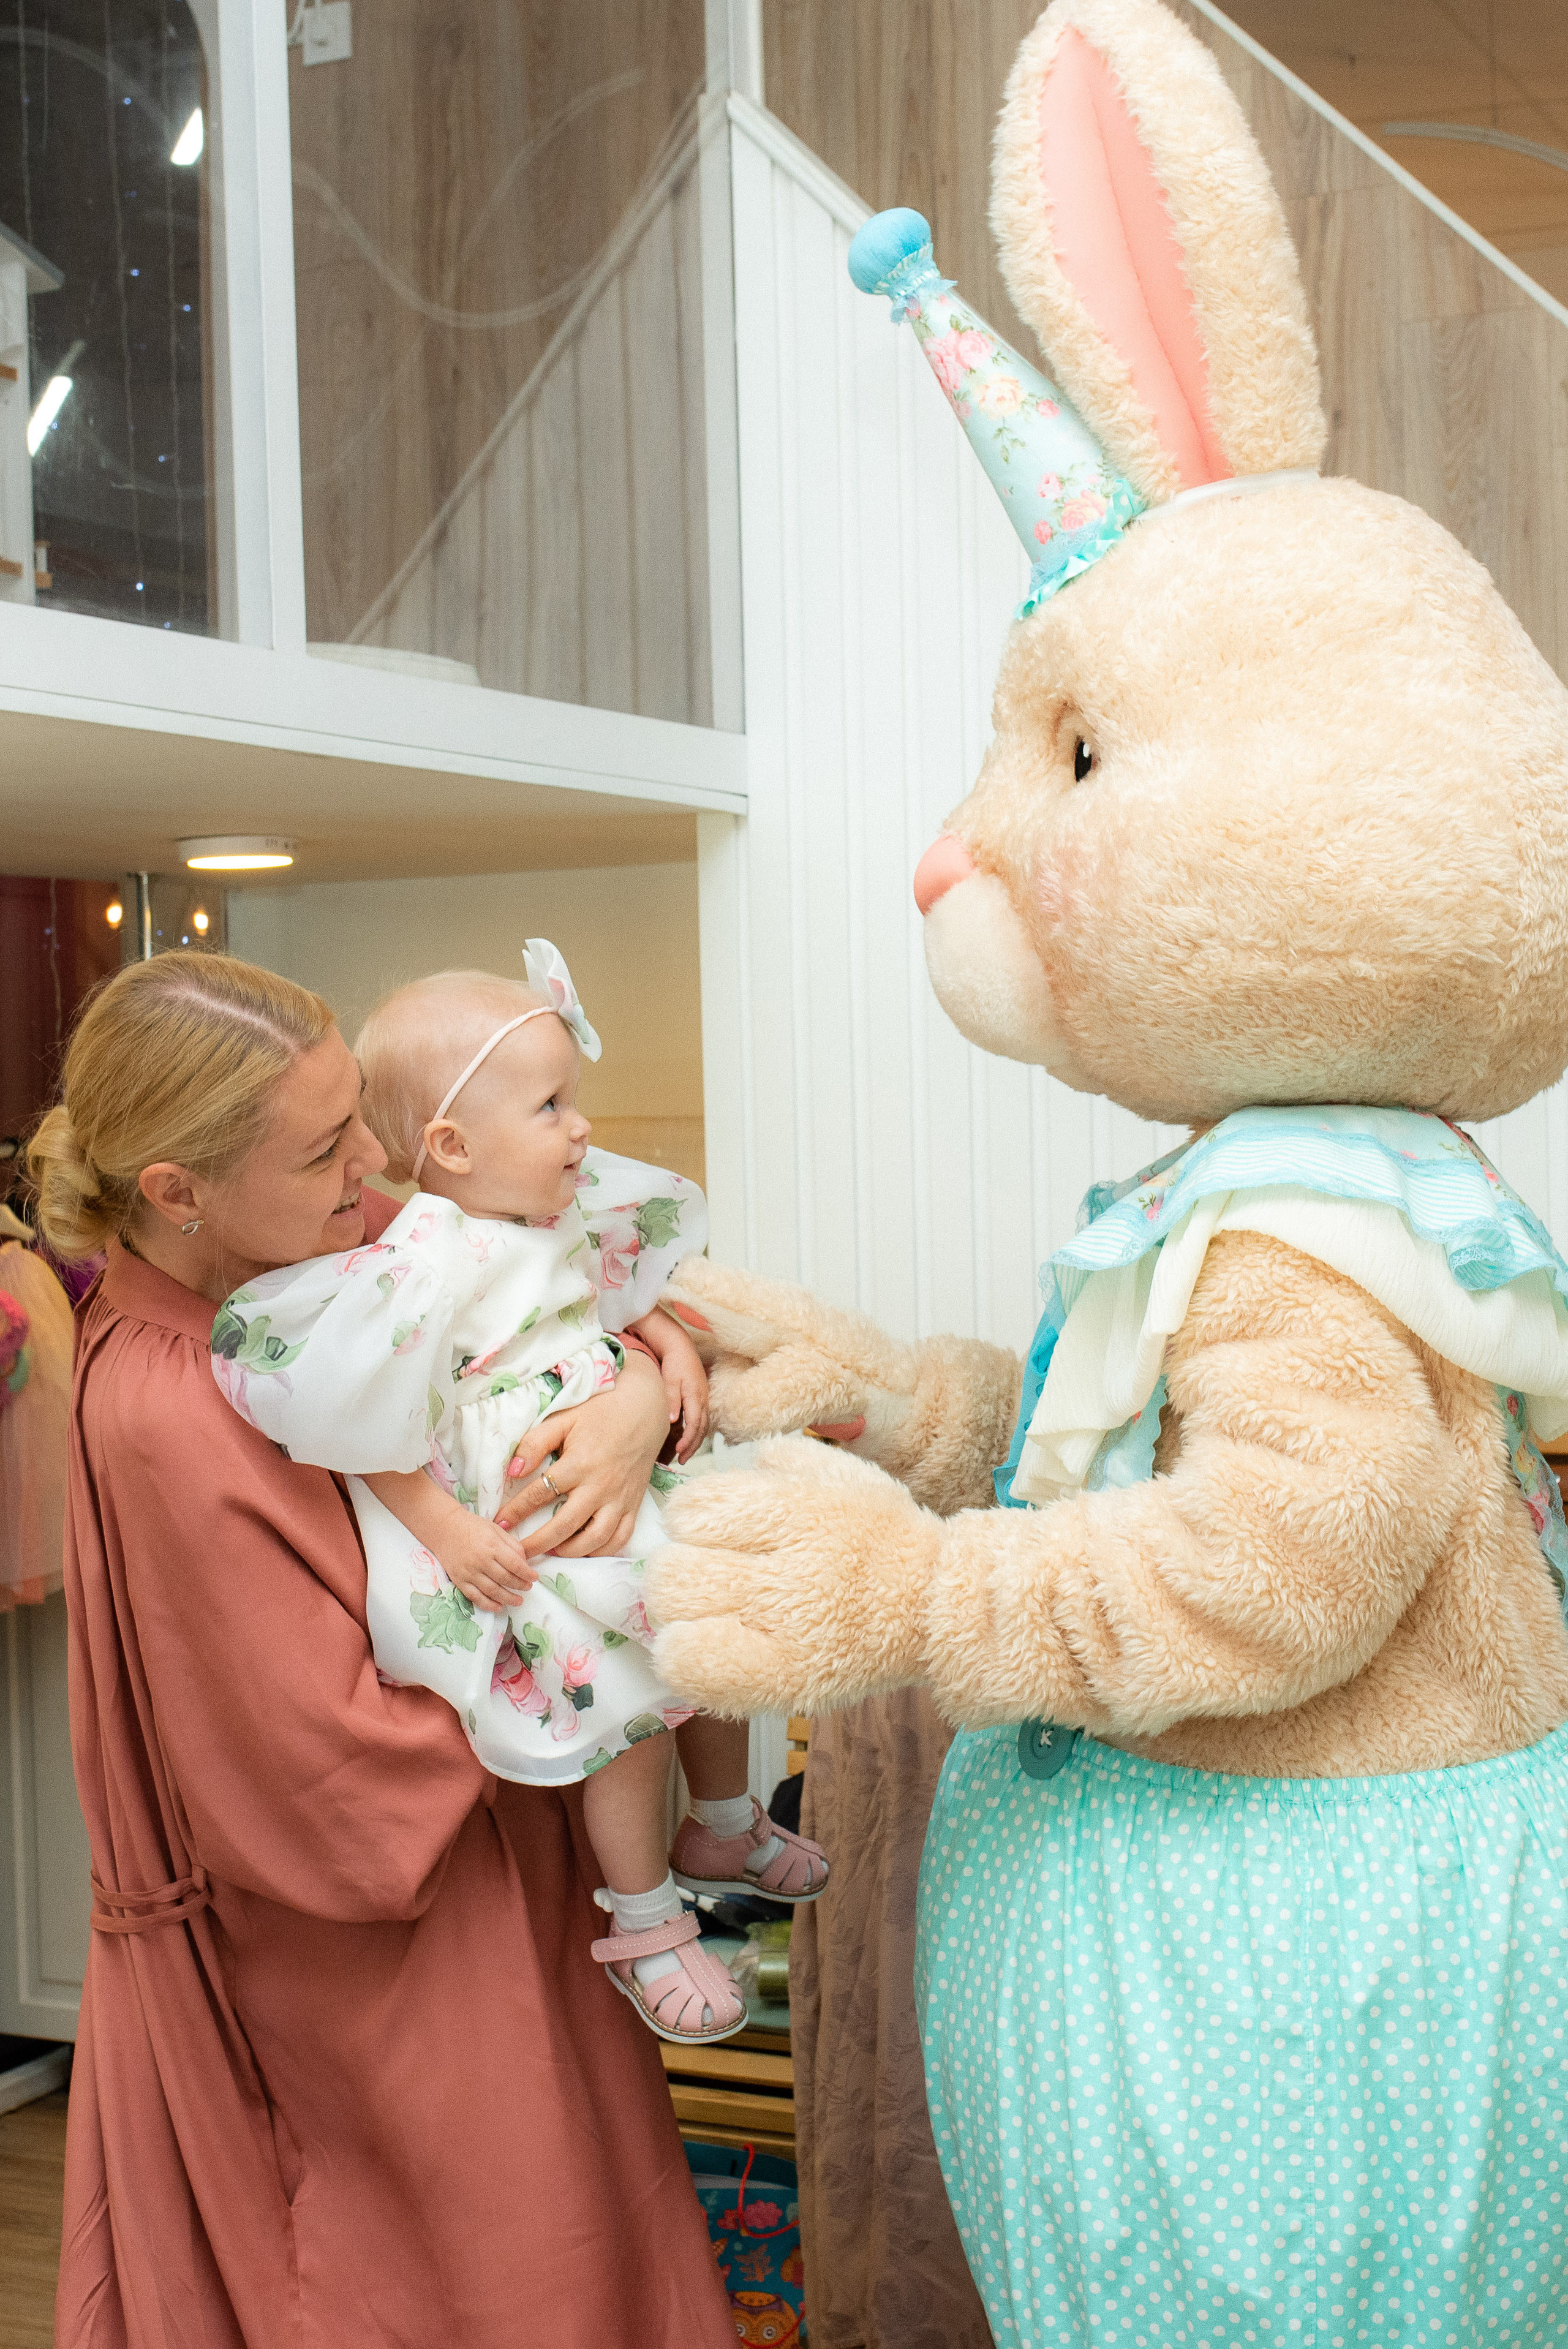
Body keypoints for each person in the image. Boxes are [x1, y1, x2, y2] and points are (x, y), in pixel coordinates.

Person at [28, 948, 736, 2348]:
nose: (377, 1159)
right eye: (324, 1147)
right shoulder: (174, 1411)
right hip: (383, 1967)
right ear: (176, 1190)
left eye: (360, 1110)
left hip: (501, 1874)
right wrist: (598, 1689)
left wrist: (637, 1388)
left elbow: (566, 1293)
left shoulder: (320, 1254)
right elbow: (320, 1777)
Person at [209, 944, 827, 2045]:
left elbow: (625, 1294)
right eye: (551, 1107)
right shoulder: (427, 1253)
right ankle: (644, 1922)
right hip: (541, 1520)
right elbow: (365, 1410)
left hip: (627, 1488)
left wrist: (654, 1350)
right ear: (449, 1147)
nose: (581, 1128)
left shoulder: (558, 1216)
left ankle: (724, 1824)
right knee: (629, 1704)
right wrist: (444, 1529)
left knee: (725, 1613)